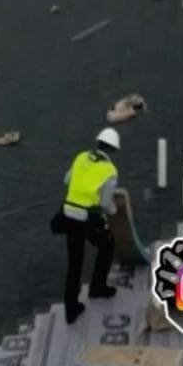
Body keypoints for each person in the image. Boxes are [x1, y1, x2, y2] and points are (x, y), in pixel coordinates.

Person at [61, 127, 120, 324]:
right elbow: (105, 204)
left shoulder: (81, 157)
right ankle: (97, 287)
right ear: (113, 150)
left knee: (74, 264)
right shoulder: (110, 171)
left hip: (68, 214)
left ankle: (71, 310)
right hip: (87, 217)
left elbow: (67, 180)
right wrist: (115, 211)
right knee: (108, 245)